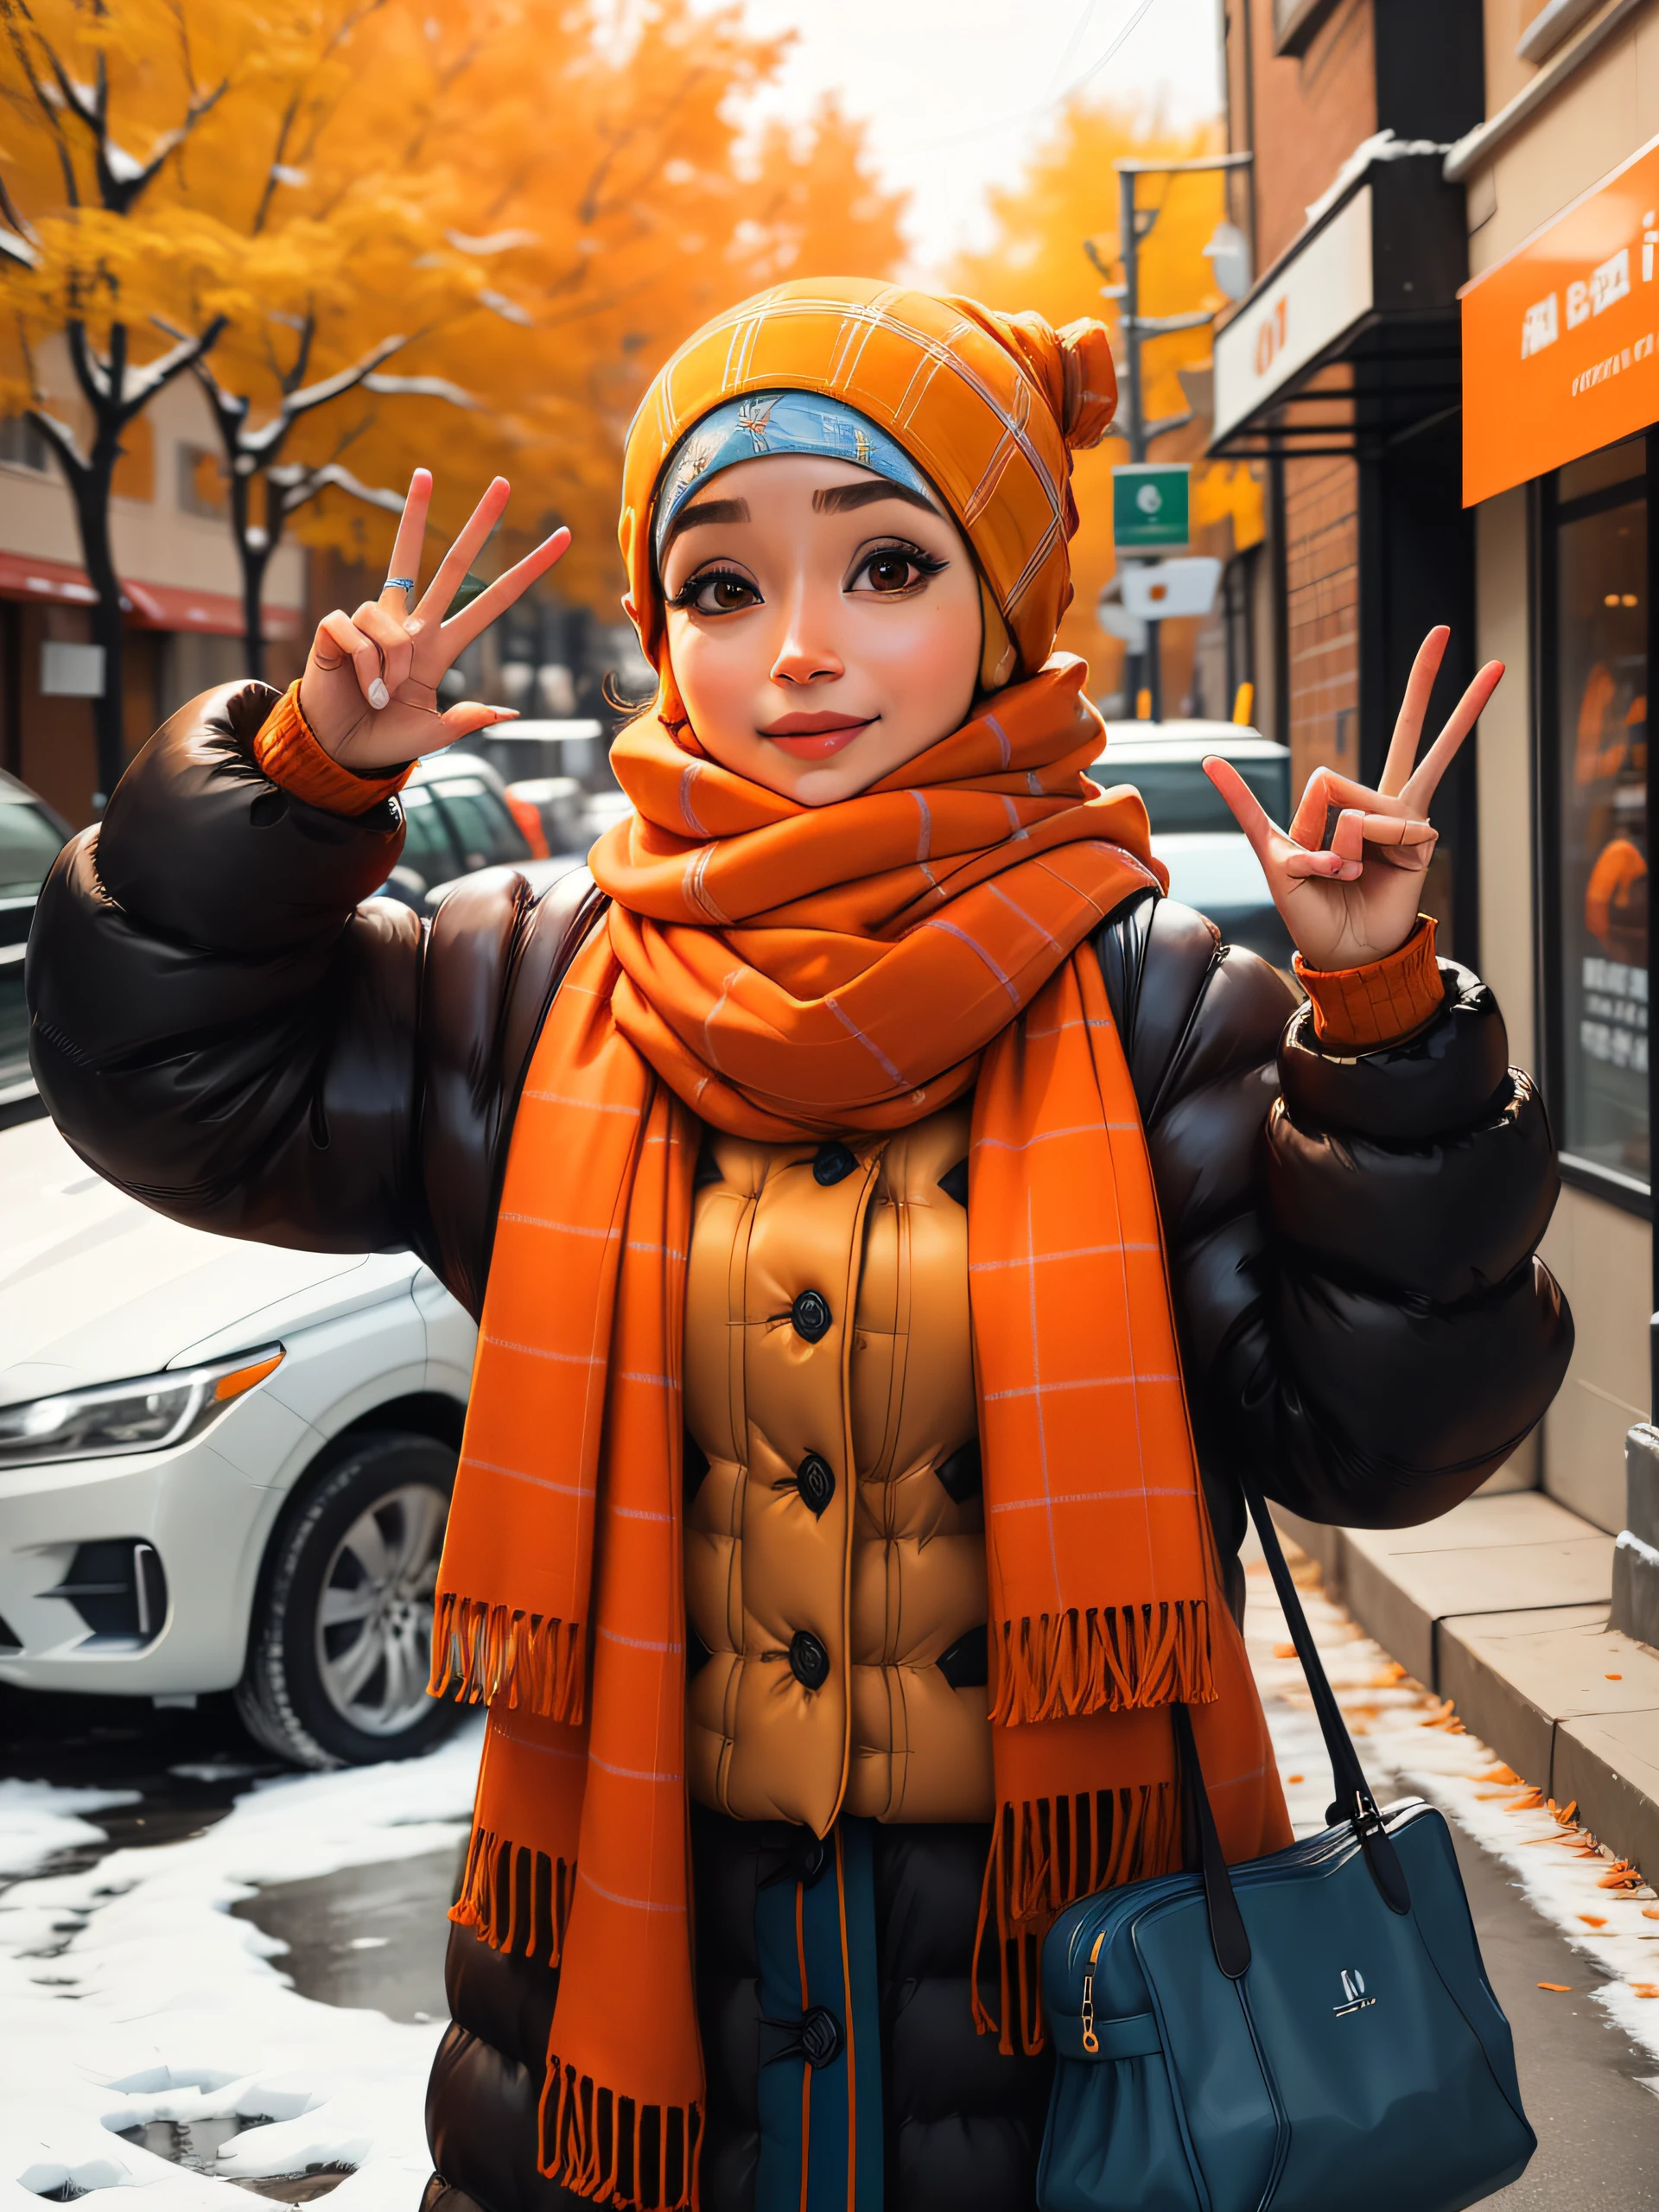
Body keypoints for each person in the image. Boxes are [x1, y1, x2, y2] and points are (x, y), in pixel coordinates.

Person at [27, 277, 1570, 2212]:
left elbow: (1383, 1434)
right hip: (633, 1963)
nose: (802, 651)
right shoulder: (526, 981)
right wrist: (302, 780)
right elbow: (161, 1066)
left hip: (1065, 1990)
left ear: (1005, 601)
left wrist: (1385, 1036)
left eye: (889, 563)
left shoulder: (1159, 1003)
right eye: (727, 586)